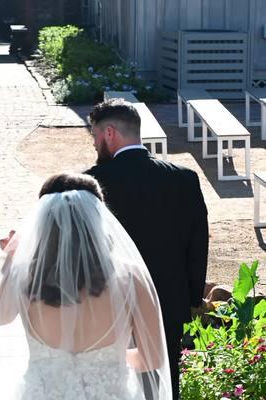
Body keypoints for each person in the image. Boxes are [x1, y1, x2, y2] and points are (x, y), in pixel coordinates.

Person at [0, 173, 172, 400]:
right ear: (97, 219)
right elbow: (153, 358)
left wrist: (10, 258)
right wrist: (112, 359)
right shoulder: (131, 277)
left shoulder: (26, 276)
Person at [85, 99, 209, 399]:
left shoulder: (92, 182)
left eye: (95, 137)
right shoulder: (184, 178)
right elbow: (198, 243)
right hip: (169, 298)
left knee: (116, 380)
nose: (95, 145)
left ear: (110, 134)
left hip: (111, 303)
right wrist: (193, 298)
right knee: (166, 380)